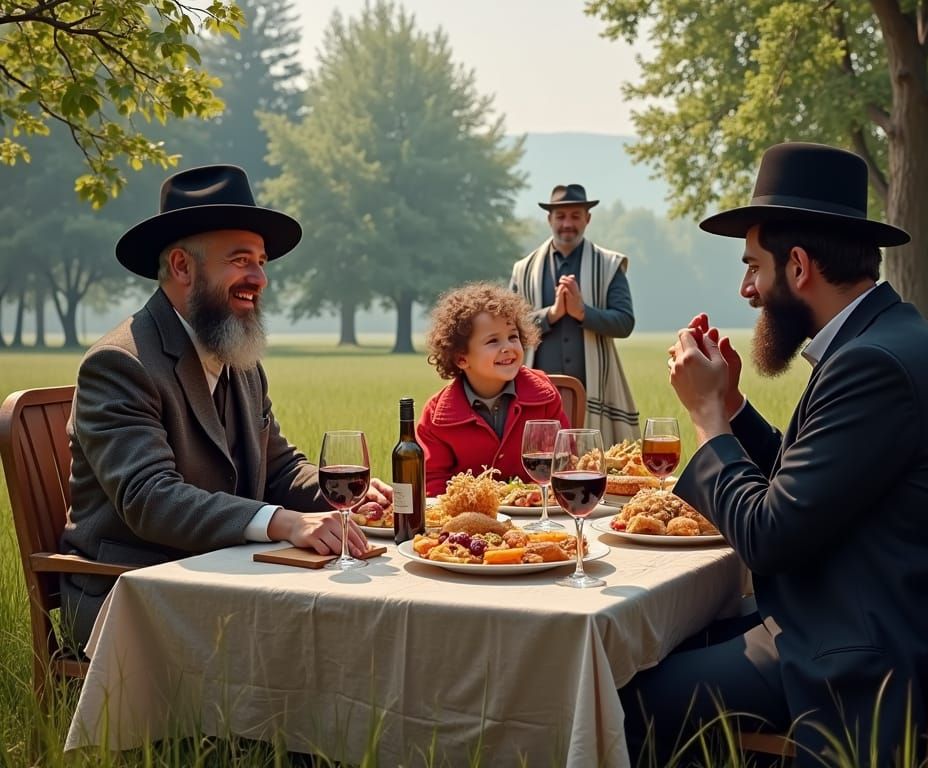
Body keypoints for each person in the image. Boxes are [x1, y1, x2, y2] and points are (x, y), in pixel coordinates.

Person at [619, 143, 928, 766]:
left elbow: (769, 536)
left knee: (620, 696)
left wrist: (707, 417)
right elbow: (810, 483)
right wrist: (734, 407)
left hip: (855, 659)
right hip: (874, 620)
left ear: (797, 267)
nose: (746, 289)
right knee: (659, 644)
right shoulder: (894, 337)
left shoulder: (873, 365)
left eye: (752, 267)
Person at [61, 164, 391, 650]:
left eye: (261, 262)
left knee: (363, 617)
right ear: (181, 266)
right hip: (134, 592)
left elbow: (280, 468)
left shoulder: (239, 359)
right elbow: (150, 498)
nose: (259, 278)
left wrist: (341, 497)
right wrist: (284, 521)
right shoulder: (120, 363)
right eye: (241, 260)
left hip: (218, 574)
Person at [510, 183, 639, 442]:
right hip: (537, 393)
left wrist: (583, 313)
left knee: (594, 468)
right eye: (560, 216)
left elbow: (625, 323)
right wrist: (551, 315)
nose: (567, 223)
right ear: (549, 219)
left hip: (595, 390)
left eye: (575, 216)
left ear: (587, 219)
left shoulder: (609, 264)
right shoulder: (523, 269)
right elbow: (509, 328)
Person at [417, 281, 569, 497]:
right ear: (461, 358)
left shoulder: (544, 395)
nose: (507, 347)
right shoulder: (436, 416)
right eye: (493, 341)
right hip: (468, 521)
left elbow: (563, 461)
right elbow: (431, 482)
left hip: (535, 516)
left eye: (513, 337)